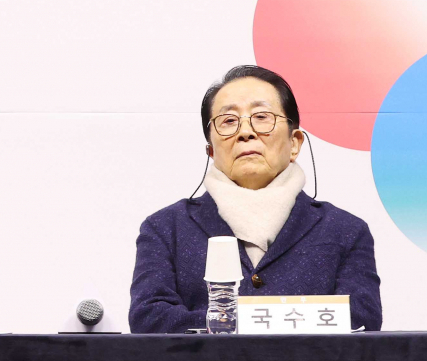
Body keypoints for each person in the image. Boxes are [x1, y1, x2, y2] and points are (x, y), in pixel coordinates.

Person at [129, 65, 382, 333]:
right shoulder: (166, 228)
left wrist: (231, 322)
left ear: (295, 143)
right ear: (211, 151)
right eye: (228, 121)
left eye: (262, 117)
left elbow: (361, 319)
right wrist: (258, 322)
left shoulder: (345, 231)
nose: (245, 132)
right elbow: (149, 317)